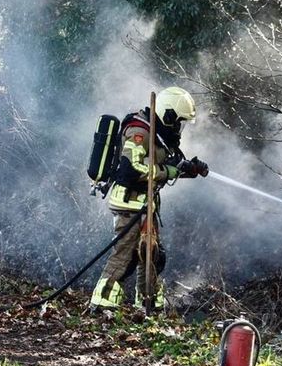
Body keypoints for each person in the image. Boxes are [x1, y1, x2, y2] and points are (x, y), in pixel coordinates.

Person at [88, 86, 208, 313]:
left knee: (150, 255)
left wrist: (189, 169)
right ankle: (102, 304)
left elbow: (168, 165)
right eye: (178, 121)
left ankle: (148, 303)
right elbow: (131, 169)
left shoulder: (160, 134)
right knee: (126, 256)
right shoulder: (139, 132)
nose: (179, 128)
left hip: (145, 204)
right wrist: (169, 172)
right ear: (167, 115)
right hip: (129, 203)